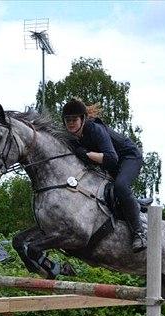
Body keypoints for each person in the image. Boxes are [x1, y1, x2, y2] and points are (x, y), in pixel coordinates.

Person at [61, 98, 147, 252]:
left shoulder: (94, 129)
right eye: (68, 120)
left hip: (128, 157)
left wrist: (86, 154)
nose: (71, 123)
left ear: (83, 119)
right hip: (110, 163)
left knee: (120, 186)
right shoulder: (72, 138)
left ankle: (139, 233)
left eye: (74, 119)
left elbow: (111, 158)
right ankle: (135, 204)